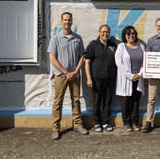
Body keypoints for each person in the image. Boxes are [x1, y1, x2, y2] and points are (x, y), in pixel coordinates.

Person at [48, 12, 88, 140]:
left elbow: (82, 56)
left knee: (76, 100)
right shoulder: (55, 38)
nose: (67, 22)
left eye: (69, 20)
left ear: (72, 21)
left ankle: (77, 125)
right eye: (65, 20)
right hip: (61, 75)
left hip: (75, 75)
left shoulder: (78, 38)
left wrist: (76, 72)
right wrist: (66, 72)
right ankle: (55, 129)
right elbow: (52, 58)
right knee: (58, 101)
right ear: (61, 22)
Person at [84, 24, 117, 133]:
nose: (105, 34)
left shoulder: (113, 45)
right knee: (97, 101)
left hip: (110, 79)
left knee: (107, 101)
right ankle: (97, 123)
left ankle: (106, 122)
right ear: (99, 33)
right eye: (103, 31)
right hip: (97, 79)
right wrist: (89, 78)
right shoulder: (93, 45)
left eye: (107, 32)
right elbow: (87, 62)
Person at [115, 26, 145, 132]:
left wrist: (139, 74)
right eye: (128, 34)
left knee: (136, 101)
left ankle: (135, 122)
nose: (131, 36)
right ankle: (127, 123)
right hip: (126, 79)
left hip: (138, 78)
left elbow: (145, 62)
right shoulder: (121, 47)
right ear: (125, 36)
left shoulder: (141, 46)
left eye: (133, 33)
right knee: (125, 101)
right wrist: (130, 76)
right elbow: (119, 63)